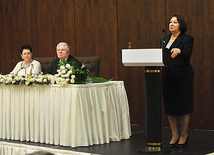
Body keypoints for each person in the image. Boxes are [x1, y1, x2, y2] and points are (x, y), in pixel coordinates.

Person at [161, 14, 194, 148]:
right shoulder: (164, 39)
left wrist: (180, 50)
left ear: (181, 25)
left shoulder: (187, 39)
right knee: (170, 107)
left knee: (183, 106)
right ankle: (174, 134)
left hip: (182, 76)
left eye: (175, 22)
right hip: (168, 76)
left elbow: (187, 56)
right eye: (170, 22)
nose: (171, 24)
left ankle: (184, 134)